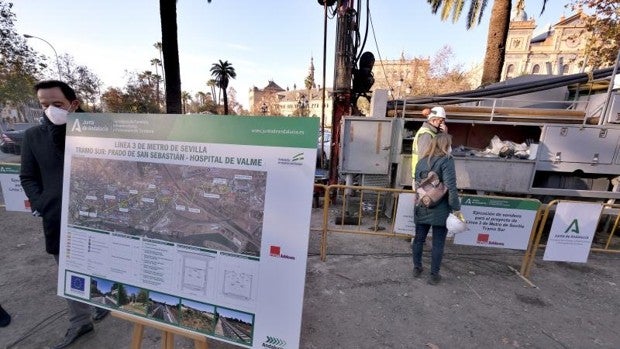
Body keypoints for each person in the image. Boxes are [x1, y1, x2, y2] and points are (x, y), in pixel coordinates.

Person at [20, 80, 109, 349]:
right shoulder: (33, 136)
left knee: (99, 262)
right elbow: (28, 176)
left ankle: (100, 302)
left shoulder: (96, 135)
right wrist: (42, 203)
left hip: (97, 215)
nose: (50, 110)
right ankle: (79, 320)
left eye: (57, 104)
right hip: (58, 218)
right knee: (68, 271)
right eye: (44, 105)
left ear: (73, 104)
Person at [412, 133, 461, 285]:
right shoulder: (447, 160)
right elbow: (451, 186)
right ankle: (434, 275)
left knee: (419, 239)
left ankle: (417, 268)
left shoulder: (421, 161)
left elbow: (417, 183)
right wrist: (456, 208)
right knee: (438, 242)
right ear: (446, 145)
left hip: (422, 204)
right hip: (440, 208)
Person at [410, 106, 448, 184]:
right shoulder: (426, 134)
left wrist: (444, 134)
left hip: (427, 177)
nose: (442, 123)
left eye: (443, 121)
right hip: (424, 177)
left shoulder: (433, 133)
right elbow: (425, 158)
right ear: (433, 120)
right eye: (441, 121)